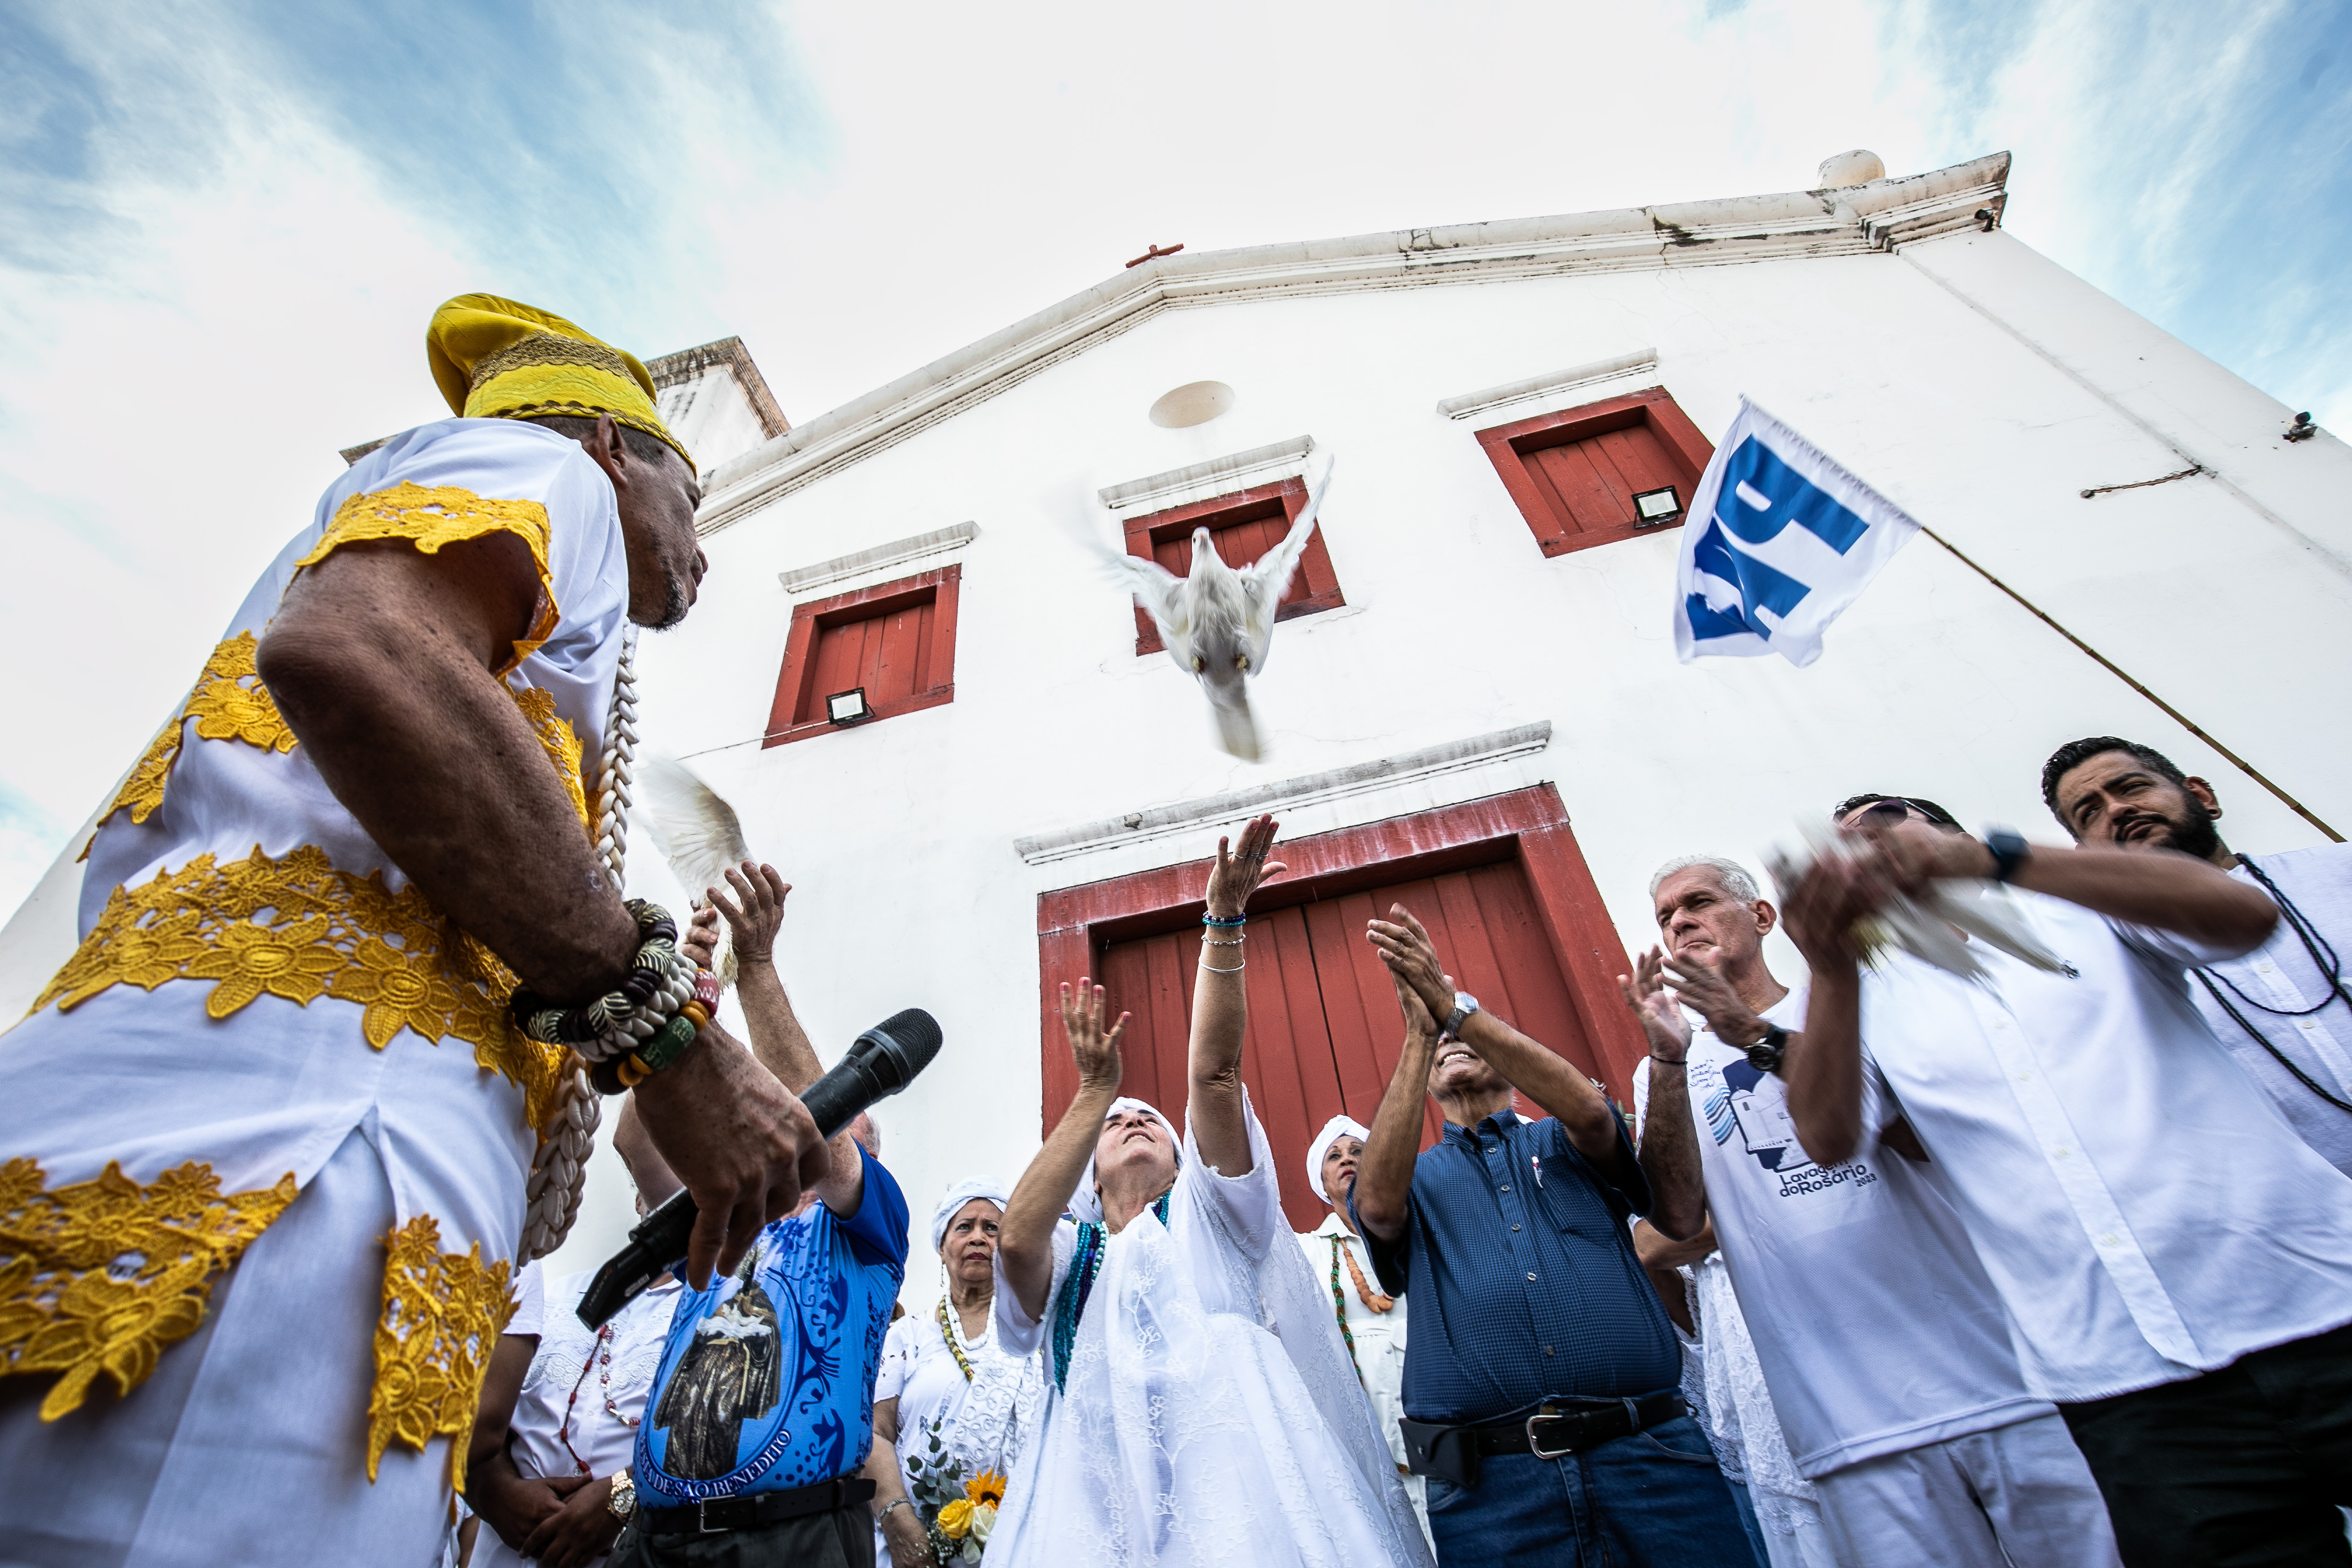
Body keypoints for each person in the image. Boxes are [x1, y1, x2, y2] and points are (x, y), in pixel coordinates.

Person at [0, 295, 828, 1565]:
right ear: (615, 448)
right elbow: (367, 649)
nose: (700, 539)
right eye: (694, 492)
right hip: (279, 1175)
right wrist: (663, 1033)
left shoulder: (456, 549)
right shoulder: (547, 471)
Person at [1778, 792, 2352, 1568]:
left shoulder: (2082, 905)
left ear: (1948, 832)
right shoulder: (1861, 992)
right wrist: (1830, 965)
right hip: (2126, 1384)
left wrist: (1996, 859)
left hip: (2317, 1306)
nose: (1860, 846)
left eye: (1884, 819)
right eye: (1839, 842)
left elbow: (2246, 917)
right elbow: (1827, 1138)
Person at [1627, 851, 2117, 1568]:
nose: (1680, 923)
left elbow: (1922, 1141)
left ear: (1762, 916)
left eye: (1698, 902)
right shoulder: (1663, 1067)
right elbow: (1674, 1217)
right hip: (1845, 1412)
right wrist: (1670, 1061)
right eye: (1666, 917)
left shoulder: (1860, 1003)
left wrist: (1751, 1033)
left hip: (2002, 1378)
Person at [987, 815, 1429, 1567]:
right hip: (1095, 1508)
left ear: (1180, 1157)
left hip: (1246, 1492)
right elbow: (1017, 1241)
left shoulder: (1212, 1210)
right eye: (1114, 1123)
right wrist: (1094, 1092)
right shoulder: (1071, 1252)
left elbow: (1215, 1076)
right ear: (1087, 1172)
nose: (1133, 1122)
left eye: (1149, 1121)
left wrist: (1222, 926)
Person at [1351, 902, 1757, 1566]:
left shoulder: (1564, 1140)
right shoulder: (1411, 1176)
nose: (1454, 1041)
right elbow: (1375, 1208)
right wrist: (1421, 1033)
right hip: (1493, 1493)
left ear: (1511, 1060)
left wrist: (1454, 1009)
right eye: (1444, 1043)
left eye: (1469, 1037)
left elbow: (1590, 1112)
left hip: (1650, 1458)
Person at [613, 856, 910, 1563]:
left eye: (847, 1133)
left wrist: (755, 967)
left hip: (788, 1538)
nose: (793, 1128)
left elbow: (819, 1128)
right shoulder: (728, 1214)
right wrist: (680, 1004)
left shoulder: (871, 1227)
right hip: (657, 1540)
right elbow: (636, 1143)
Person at [2044, 735, 2352, 1177]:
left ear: (2202, 796)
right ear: (2088, 858)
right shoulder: (2116, 969)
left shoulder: (2340, 870)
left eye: (2131, 787)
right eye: (2089, 812)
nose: (2118, 809)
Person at [468, 1102, 688, 1568]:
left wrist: (625, 1495)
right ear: (638, 1199)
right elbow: (478, 1414)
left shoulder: (728, 1312)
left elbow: (725, 1440)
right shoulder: (551, 1294)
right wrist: (496, 1492)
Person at [865, 1180, 1043, 1568]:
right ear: (942, 1248)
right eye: (964, 1227)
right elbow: (876, 1433)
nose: (978, 1237)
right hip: (920, 1544)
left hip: (1024, 1543)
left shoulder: (1036, 1337)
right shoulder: (908, 1336)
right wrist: (899, 1523)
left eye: (992, 1228)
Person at [1297, 1114, 1432, 1549]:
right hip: (1366, 1437)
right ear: (1321, 1182)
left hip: (1437, 1423)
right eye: (1334, 1156)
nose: (1347, 1159)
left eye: (1358, 1151)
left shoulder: (1425, 1239)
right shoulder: (1303, 1252)